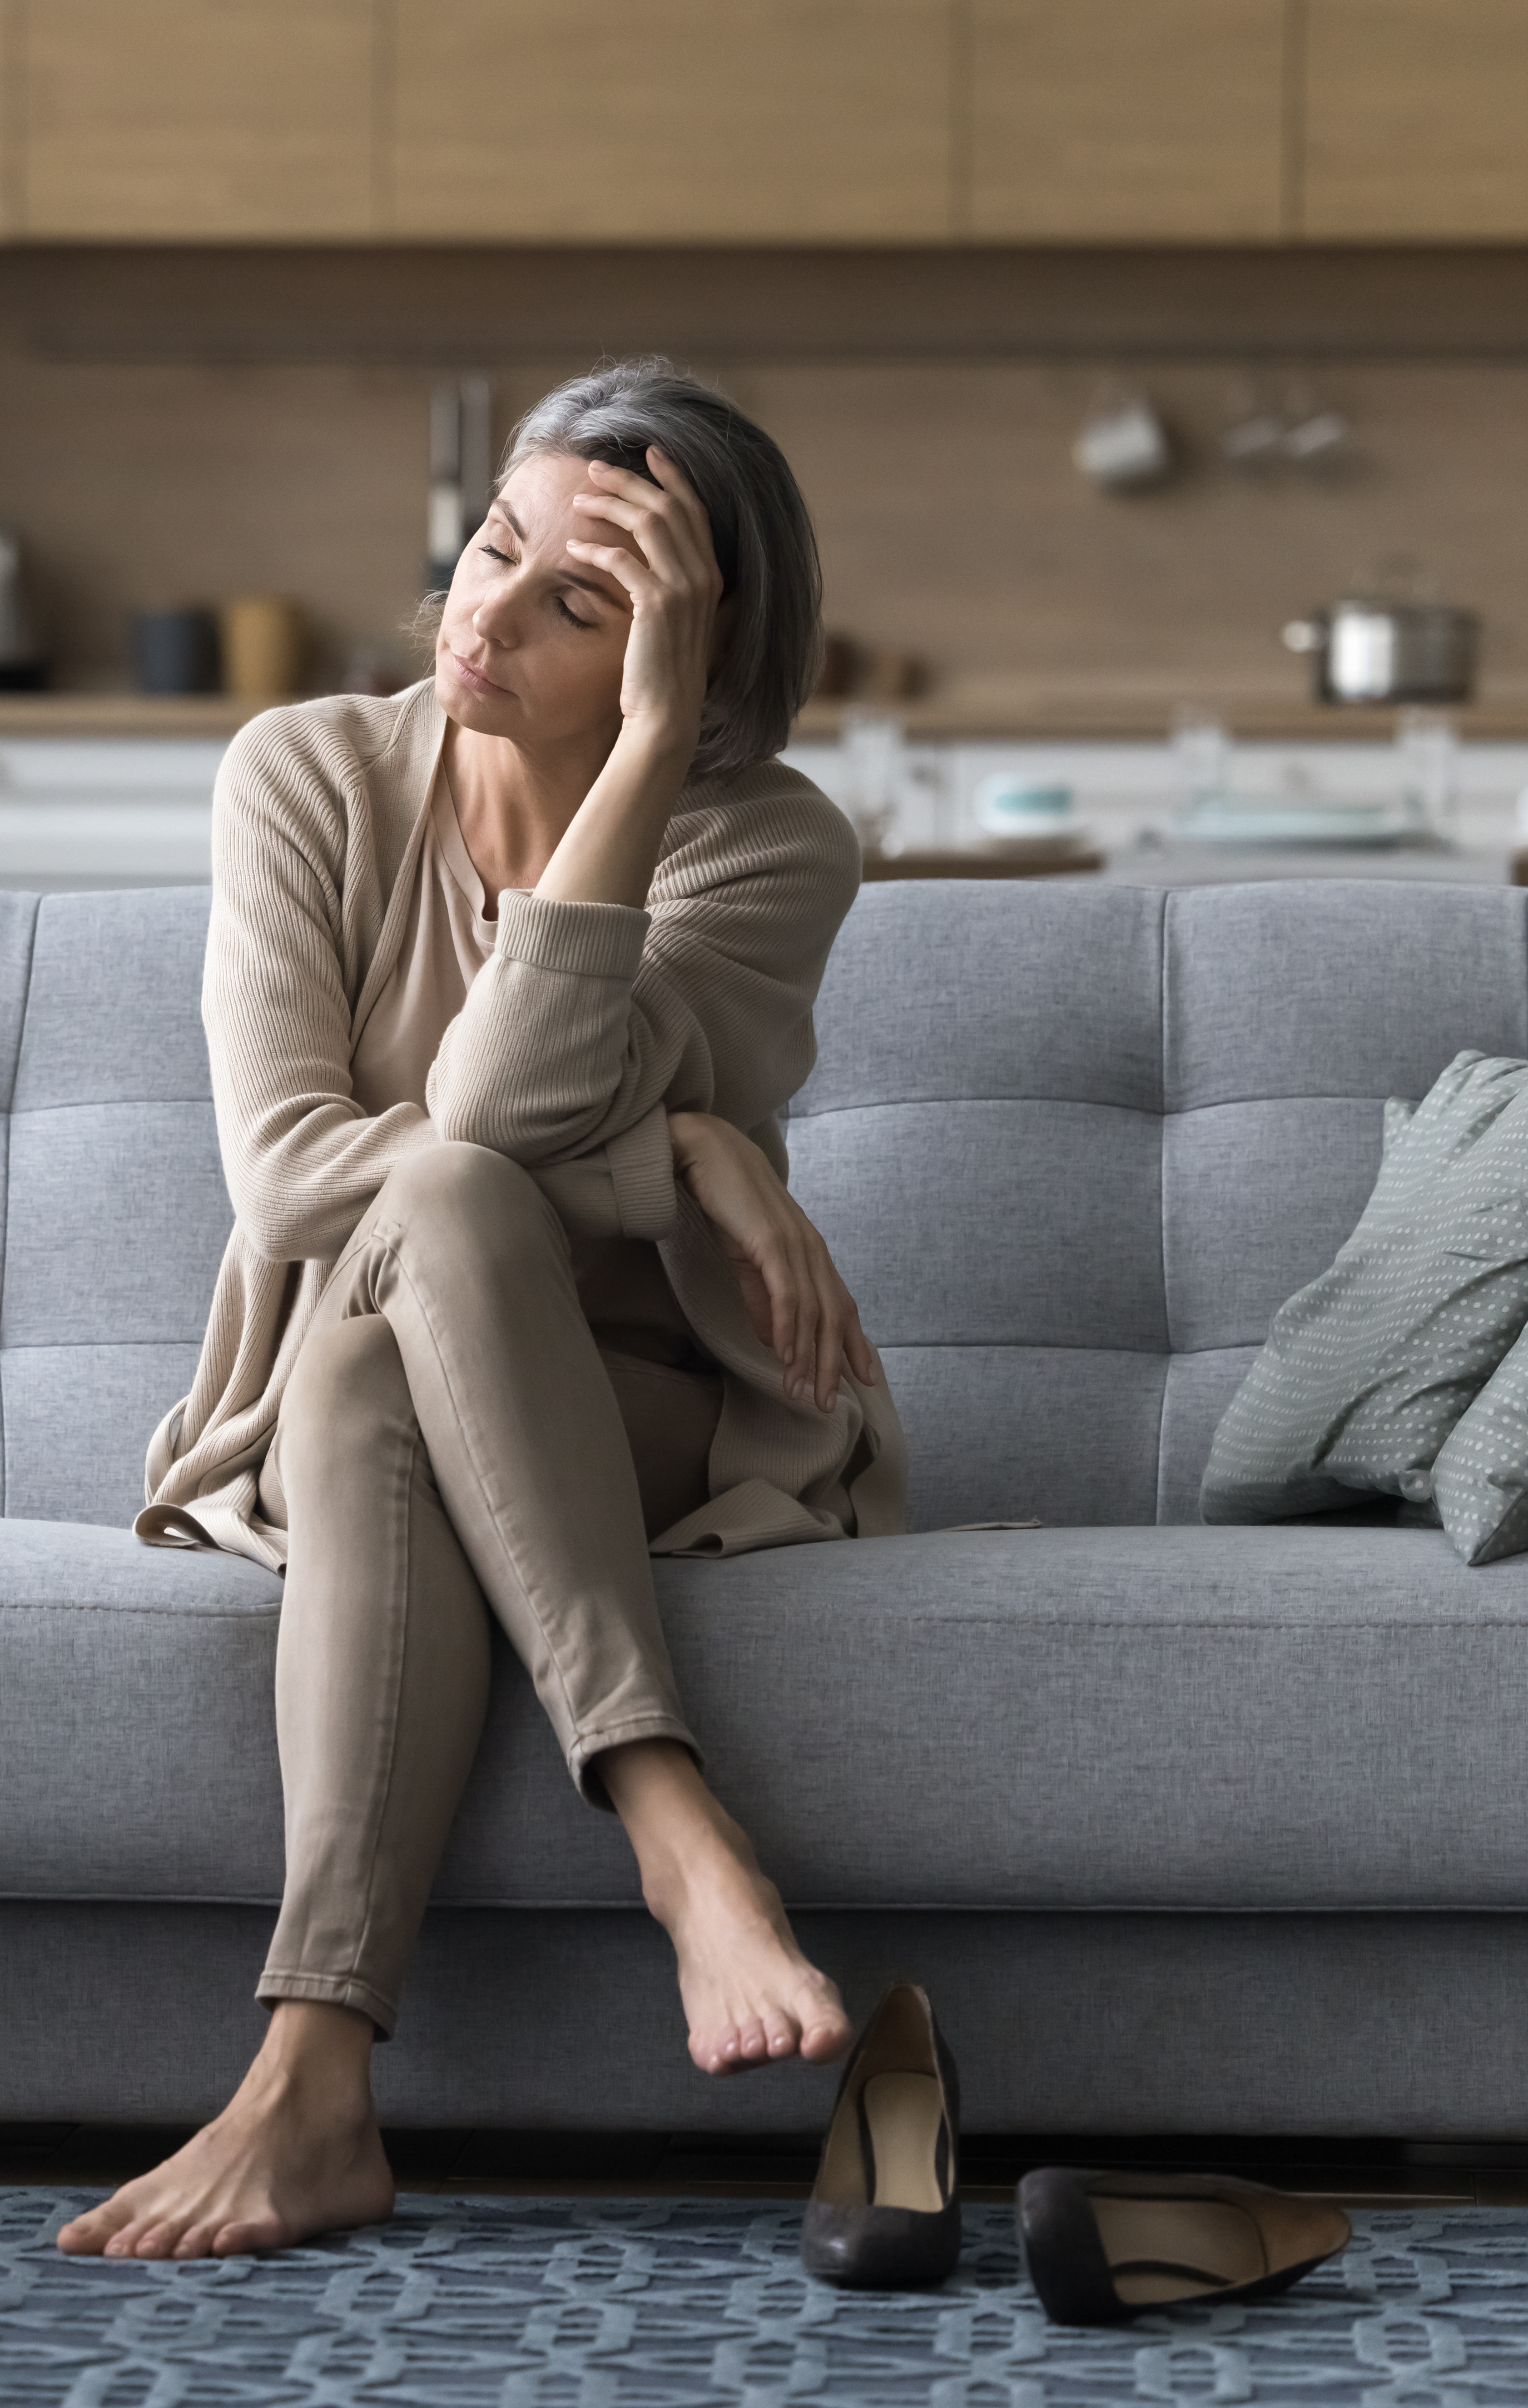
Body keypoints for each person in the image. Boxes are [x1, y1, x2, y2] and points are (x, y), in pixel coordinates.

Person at [64, 359, 902, 2262]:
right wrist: (674, 1140)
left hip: (652, 1400)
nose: (485, 620)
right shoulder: (303, 773)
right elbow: (292, 1177)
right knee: (386, 1307)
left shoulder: (763, 841)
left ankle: (309, 2085)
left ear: (684, 661)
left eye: (578, 609)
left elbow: (501, 1104)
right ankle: (665, 1833)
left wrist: (648, 748)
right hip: (349, 1361)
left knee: (428, 1224)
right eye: (490, 550)